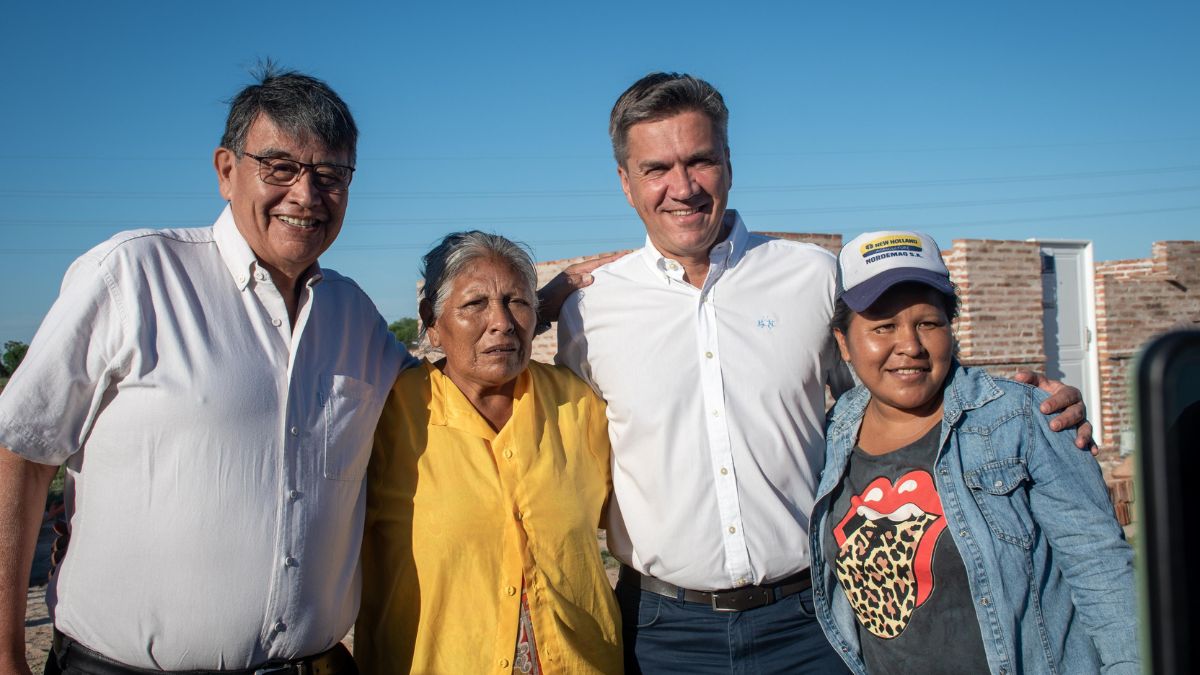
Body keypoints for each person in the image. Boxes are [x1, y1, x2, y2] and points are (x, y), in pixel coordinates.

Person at [0, 65, 602, 674]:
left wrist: (539, 306)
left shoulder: (351, 316)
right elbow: (20, 454)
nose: (306, 195)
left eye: (330, 175)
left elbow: (460, 369)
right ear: (226, 170)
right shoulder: (134, 277)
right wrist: (4, 653)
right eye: (279, 167)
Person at [555, 72, 1094, 673]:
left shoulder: (813, 277)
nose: (682, 187)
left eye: (700, 160)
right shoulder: (591, 310)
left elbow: (903, 383)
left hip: (811, 619)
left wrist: (1020, 408)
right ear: (625, 184)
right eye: (656, 169)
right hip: (660, 631)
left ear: (729, 164)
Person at [809, 230, 1138, 674]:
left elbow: (1102, 571)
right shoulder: (832, 437)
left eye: (928, 322)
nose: (909, 345)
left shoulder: (1022, 418)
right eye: (883, 326)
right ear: (844, 342)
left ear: (951, 328)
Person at [356, 232, 620, 674]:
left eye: (517, 302)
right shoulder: (386, 415)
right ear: (432, 322)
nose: (500, 322)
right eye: (474, 304)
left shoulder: (578, 404)